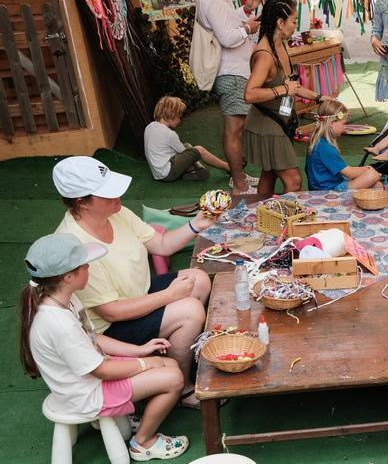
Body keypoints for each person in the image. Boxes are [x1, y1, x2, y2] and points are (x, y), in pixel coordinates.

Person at [52, 156, 215, 409]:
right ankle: (181, 386)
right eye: (106, 193)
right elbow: (111, 312)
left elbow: (161, 244)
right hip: (109, 328)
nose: (118, 195)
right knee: (190, 311)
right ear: (81, 202)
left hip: (138, 294)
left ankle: (171, 354)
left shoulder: (117, 213)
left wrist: (196, 225)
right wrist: (170, 296)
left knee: (199, 279)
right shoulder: (76, 245)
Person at [20, 233, 189, 461]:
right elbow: (101, 371)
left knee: (169, 364)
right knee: (174, 378)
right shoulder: (58, 323)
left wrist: (139, 350)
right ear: (69, 276)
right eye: (84, 265)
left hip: (91, 376)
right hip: (87, 394)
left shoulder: (64, 298)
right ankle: (143, 443)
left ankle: (130, 416)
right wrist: (146, 362)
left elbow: (94, 337)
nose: (89, 267)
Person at [243, 0, 327, 196]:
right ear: (280, 23)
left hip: (279, 120)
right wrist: (282, 90)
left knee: (269, 174)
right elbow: (249, 94)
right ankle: (288, 222)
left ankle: (262, 218)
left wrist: (319, 98)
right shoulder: (265, 55)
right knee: (294, 181)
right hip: (267, 124)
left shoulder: (280, 44)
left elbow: (292, 85)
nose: (296, 25)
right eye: (294, 20)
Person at [195, 0, 261, 195]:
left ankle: (239, 177)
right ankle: (239, 184)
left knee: (237, 129)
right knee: (234, 130)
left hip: (234, 71)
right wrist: (248, 28)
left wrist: (246, 10)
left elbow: (226, 23)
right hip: (230, 73)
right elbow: (228, 37)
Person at [144, 96, 233, 183]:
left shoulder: (150, 127)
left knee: (186, 145)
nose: (180, 120)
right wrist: (193, 160)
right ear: (172, 114)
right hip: (168, 173)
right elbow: (185, 152)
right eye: (179, 116)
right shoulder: (169, 134)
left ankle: (187, 172)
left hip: (158, 173)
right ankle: (229, 167)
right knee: (199, 150)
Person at [305, 100, 382, 191]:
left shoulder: (319, 141)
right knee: (371, 176)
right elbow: (350, 173)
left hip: (329, 184)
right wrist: (368, 169)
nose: (345, 126)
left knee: (377, 185)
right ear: (331, 123)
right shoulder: (325, 147)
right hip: (328, 190)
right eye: (343, 123)